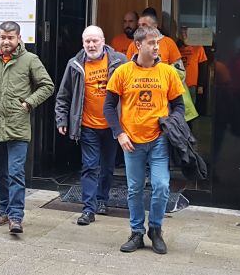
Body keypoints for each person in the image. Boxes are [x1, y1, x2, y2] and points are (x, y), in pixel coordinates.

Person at [104, 27, 186, 255]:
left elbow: (180, 106)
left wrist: (172, 122)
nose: (156, 47)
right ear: (138, 45)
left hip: (158, 139)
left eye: (157, 42)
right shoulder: (123, 72)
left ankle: (156, 230)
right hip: (131, 141)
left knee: (161, 186)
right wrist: (119, 133)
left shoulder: (168, 72)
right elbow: (109, 106)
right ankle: (137, 232)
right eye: (151, 43)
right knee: (134, 188)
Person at [0, 21, 55, 234]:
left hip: (17, 125)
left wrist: (28, 103)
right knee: (0, 173)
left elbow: (47, 85)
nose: (6, 41)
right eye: (3, 37)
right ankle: (3, 210)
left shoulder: (30, 60)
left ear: (18, 38)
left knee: (15, 172)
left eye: (10, 38)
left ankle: (16, 216)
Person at [54, 26, 128, 225]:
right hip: (87, 125)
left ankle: (102, 199)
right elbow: (64, 95)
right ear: (82, 43)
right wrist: (62, 119)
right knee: (89, 166)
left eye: (95, 40)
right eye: (87, 41)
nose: (91, 45)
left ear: (103, 41)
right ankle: (88, 208)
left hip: (113, 126)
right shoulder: (75, 64)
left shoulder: (119, 61)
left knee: (108, 167)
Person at [178, 26, 208, 100]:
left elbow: (203, 68)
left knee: (191, 109)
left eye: (186, 32)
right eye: (182, 32)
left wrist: (201, 85)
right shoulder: (177, 48)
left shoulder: (198, 48)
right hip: (179, 84)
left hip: (192, 85)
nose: (184, 34)